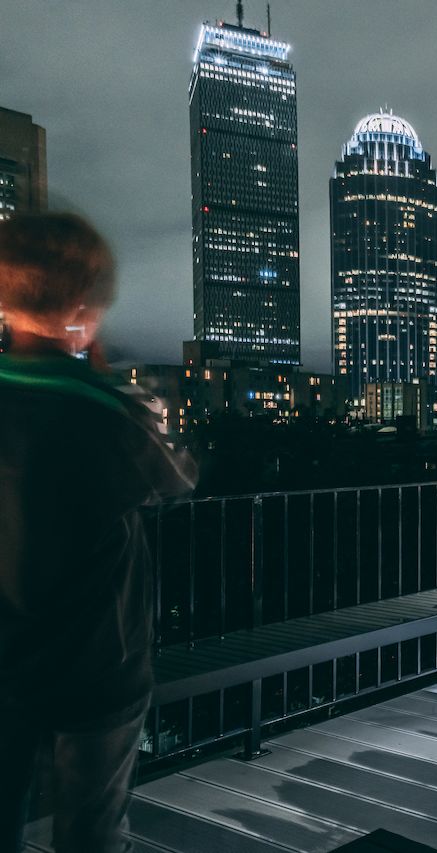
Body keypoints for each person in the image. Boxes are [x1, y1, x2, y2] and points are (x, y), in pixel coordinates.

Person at [0, 212, 195, 852]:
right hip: (96, 665)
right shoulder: (108, 413)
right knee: (91, 832)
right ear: (83, 307)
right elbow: (176, 478)